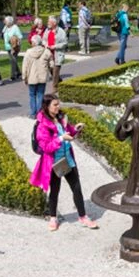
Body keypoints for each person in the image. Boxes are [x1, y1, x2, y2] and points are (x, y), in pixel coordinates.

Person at [30, 94, 98, 231]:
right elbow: (46, 147)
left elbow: (68, 133)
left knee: (77, 188)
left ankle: (83, 217)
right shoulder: (42, 125)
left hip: (68, 159)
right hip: (55, 162)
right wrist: (61, 139)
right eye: (55, 105)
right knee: (54, 190)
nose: (58, 107)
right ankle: (53, 218)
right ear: (47, 106)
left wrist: (75, 129)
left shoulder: (60, 118)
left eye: (58, 104)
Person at [22, 35, 52, 118]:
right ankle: (39, 114)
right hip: (42, 77)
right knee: (40, 95)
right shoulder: (46, 52)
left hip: (32, 77)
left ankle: (33, 113)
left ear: (34, 43)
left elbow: (25, 66)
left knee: (32, 95)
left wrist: (24, 77)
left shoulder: (28, 52)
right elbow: (52, 64)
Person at [47, 16, 67, 92]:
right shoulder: (47, 30)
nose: (48, 23)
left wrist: (54, 46)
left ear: (54, 23)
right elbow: (44, 39)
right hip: (49, 54)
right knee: (51, 70)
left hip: (57, 54)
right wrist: (45, 44)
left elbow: (64, 43)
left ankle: (55, 87)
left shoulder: (61, 32)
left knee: (55, 71)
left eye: (49, 22)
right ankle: (60, 81)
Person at [3, 16, 23, 81]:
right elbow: (3, 34)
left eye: (5, 21)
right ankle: (19, 73)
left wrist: (15, 47)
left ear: (9, 22)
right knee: (13, 60)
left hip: (14, 47)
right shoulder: (5, 27)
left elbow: (20, 37)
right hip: (7, 46)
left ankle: (13, 76)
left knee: (13, 61)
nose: (4, 22)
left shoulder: (15, 27)